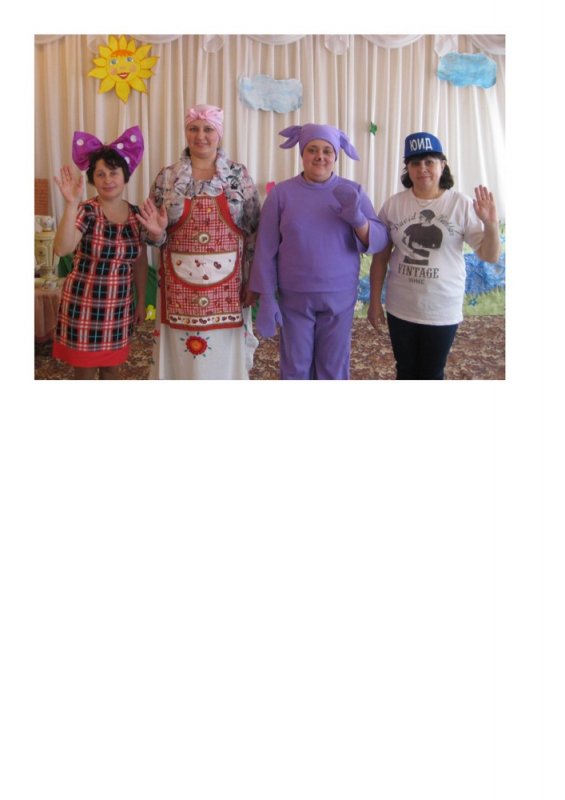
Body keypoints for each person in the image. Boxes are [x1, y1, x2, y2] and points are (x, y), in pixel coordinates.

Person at [248, 124, 389, 380]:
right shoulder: (281, 194)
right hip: (295, 297)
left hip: (339, 295)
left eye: (327, 150)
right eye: (312, 149)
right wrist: (266, 297)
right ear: (302, 153)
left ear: (336, 155)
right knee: (296, 366)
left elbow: (379, 240)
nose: (320, 156)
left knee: (333, 367)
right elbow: (265, 249)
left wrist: (358, 220)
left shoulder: (353, 192)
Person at [137, 104, 261, 379]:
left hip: (229, 287)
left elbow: (254, 232)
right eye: (193, 129)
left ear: (219, 133)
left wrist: (252, 279)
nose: (200, 136)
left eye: (208, 129)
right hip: (177, 288)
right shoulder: (167, 178)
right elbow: (153, 235)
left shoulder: (238, 176)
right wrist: (156, 233)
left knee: (222, 357)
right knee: (181, 357)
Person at [367, 131, 501, 380]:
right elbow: (380, 258)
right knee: (405, 370)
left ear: (443, 164)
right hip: (400, 307)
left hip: (442, 308)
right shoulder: (394, 205)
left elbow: (490, 255)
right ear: (407, 168)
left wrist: (490, 224)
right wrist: (374, 301)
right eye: (415, 163)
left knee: (431, 373)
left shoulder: (460, 204)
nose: (423, 169)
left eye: (429, 161)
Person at [52, 126, 148, 379]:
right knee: (84, 374)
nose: (107, 180)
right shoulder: (86, 210)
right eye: (100, 174)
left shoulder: (137, 215)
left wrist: (141, 301)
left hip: (119, 307)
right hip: (84, 305)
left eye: (113, 173)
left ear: (125, 175)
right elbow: (61, 248)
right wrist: (70, 204)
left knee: (111, 371)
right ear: (93, 179)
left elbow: (140, 262)